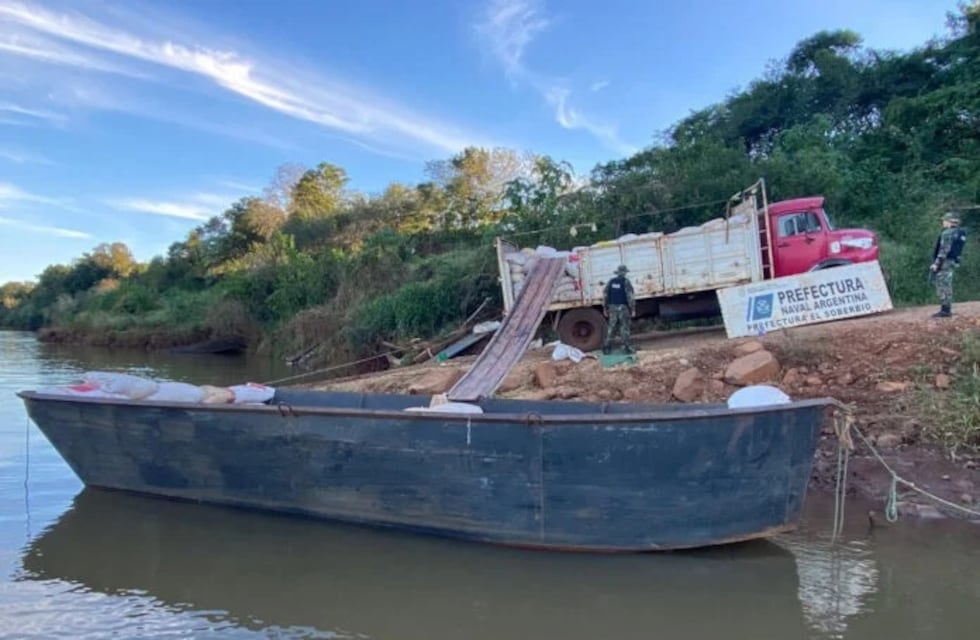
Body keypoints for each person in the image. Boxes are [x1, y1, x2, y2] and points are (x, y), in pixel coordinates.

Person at [930, 212, 964, 318]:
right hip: (953, 261)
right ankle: (946, 308)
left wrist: (936, 264)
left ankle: (945, 310)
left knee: (942, 284)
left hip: (945, 262)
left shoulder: (947, 233)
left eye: (944, 220)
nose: (943, 222)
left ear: (950, 221)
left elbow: (944, 250)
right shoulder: (960, 233)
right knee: (947, 283)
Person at [602, 264, 636, 354]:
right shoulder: (626, 282)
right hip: (623, 308)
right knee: (624, 327)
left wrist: (605, 308)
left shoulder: (611, 282)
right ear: (624, 272)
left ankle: (607, 347)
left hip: (612, 307)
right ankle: (626, 347)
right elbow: (630, 297)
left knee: (612, 327)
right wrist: (632, 309)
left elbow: (605, 295)